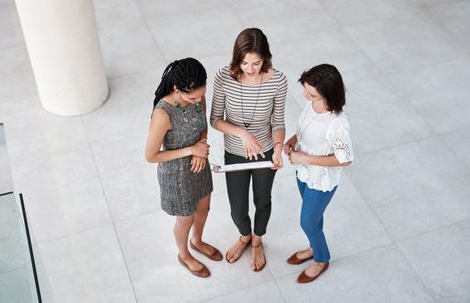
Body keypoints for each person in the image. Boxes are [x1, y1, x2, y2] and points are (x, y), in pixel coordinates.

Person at [210, 28, 287, 271]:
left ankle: (256, 240)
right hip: (234, 151)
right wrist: (242, 133)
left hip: (266, 151)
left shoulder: (278, 80)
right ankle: (244, 235)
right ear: (236, 58)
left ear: (266, 58)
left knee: (263, 201)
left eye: (256, 63)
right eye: (244, 63)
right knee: (238, 207)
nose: (250, 69)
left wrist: (277, 149)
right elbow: (215, 119)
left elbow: (278, 121)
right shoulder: (224, 76)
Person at [145, 58, 221, 278]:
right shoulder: (163, 114)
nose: (198, 100)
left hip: (199, 164)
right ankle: (184, 254)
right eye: (192, 97)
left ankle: (197, 241)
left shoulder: (199, 95)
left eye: (201, 94)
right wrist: (191, 150)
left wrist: (203, 145)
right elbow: (150, 156)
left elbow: (202, 125)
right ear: (177, 89)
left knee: (204, 208)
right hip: (176, 174)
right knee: (185, 218)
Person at [284, 64, 354, 283]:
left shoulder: (337, 124)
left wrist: (304, 158)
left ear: (327, 94)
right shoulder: (311, 104)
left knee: (307, 223)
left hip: (321, 180)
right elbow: (305, 130)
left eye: (311, 93)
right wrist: (293, 141)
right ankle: (314, 247)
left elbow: (346, 159)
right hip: (303, 172)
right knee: (314, 219)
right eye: (305, 89)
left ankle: (321, 259)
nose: (305, 96)